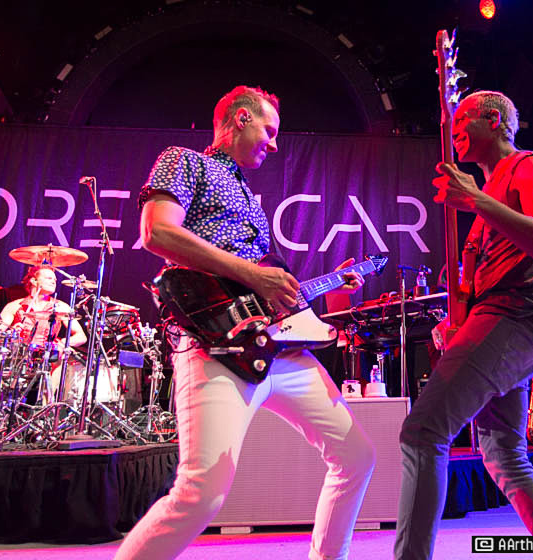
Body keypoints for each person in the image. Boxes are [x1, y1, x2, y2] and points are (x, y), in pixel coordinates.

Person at [115, 85, 376, 560]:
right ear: (240, 118)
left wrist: (329, 285)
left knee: (357, 457)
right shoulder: (184, 161)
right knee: (201, 493)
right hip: (214, 348)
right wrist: (253, 274)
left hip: (278, 348)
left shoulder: (248, 197)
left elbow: (261, 292)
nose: (274, 144)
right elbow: (157, 232)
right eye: (269, 131)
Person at [393, 90, 533, 560]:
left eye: (463, 118)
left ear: (495, 120)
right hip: (499, 323)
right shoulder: (487, 196)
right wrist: (455, 321)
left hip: (512, 319)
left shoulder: (528, 166)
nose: (454, 129)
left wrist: (477, 199)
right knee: (504, 453)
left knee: (423, 433)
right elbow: (483, 277)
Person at [0, 265, 87, 401]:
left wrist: (63, 342)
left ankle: (45, 406)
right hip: (19, 357)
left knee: (57, 361)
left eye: (55, 280)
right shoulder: (15, 306)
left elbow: (81, 336)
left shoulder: (61, 307)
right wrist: (12, 331)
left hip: (48, 359)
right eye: (49, 278)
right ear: (34, 281)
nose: (54, 281)